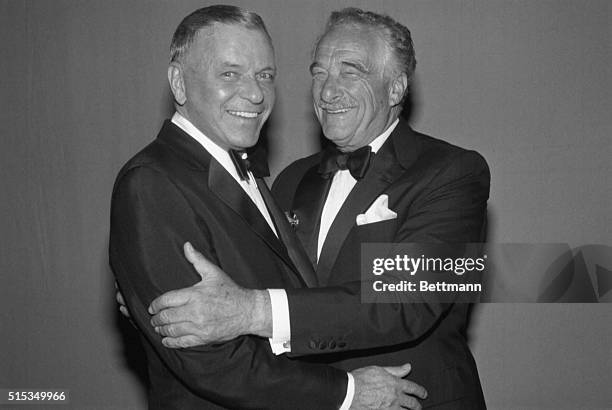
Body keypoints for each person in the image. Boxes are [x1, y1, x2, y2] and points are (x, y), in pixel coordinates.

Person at [141, 8, 491, 409]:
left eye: (350, 72)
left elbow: (406, 301)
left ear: (396, 89)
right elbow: (240, 276)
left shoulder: (455, 173)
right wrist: (157, 285)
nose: (327, 91)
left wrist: (251, 311)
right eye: (319, 73)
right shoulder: (290, 180)